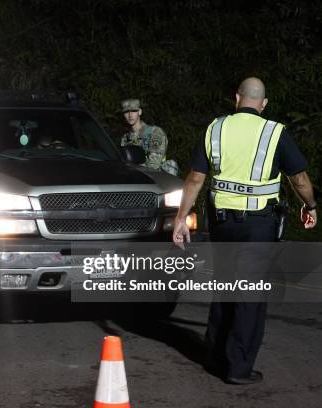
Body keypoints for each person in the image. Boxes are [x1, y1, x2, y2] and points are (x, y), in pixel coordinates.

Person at [173, 77, 317, 384]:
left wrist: (181, 218)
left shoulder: (216, 128)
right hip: (259, 225)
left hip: (222, 224)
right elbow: (300, 178)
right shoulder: (274, 132)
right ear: (263, 104)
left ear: (236, 98)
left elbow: (195, 179)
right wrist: (311, 206)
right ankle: (237, 368)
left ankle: (214, 358)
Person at [120, 98, 178, 175]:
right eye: (126, 112)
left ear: (139, 112)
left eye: (134, 111)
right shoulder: (125, 138)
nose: (130, 115)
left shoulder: (155, 132)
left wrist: (131, 170)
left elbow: (153, 165)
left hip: (156, 177)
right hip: (134, 176)